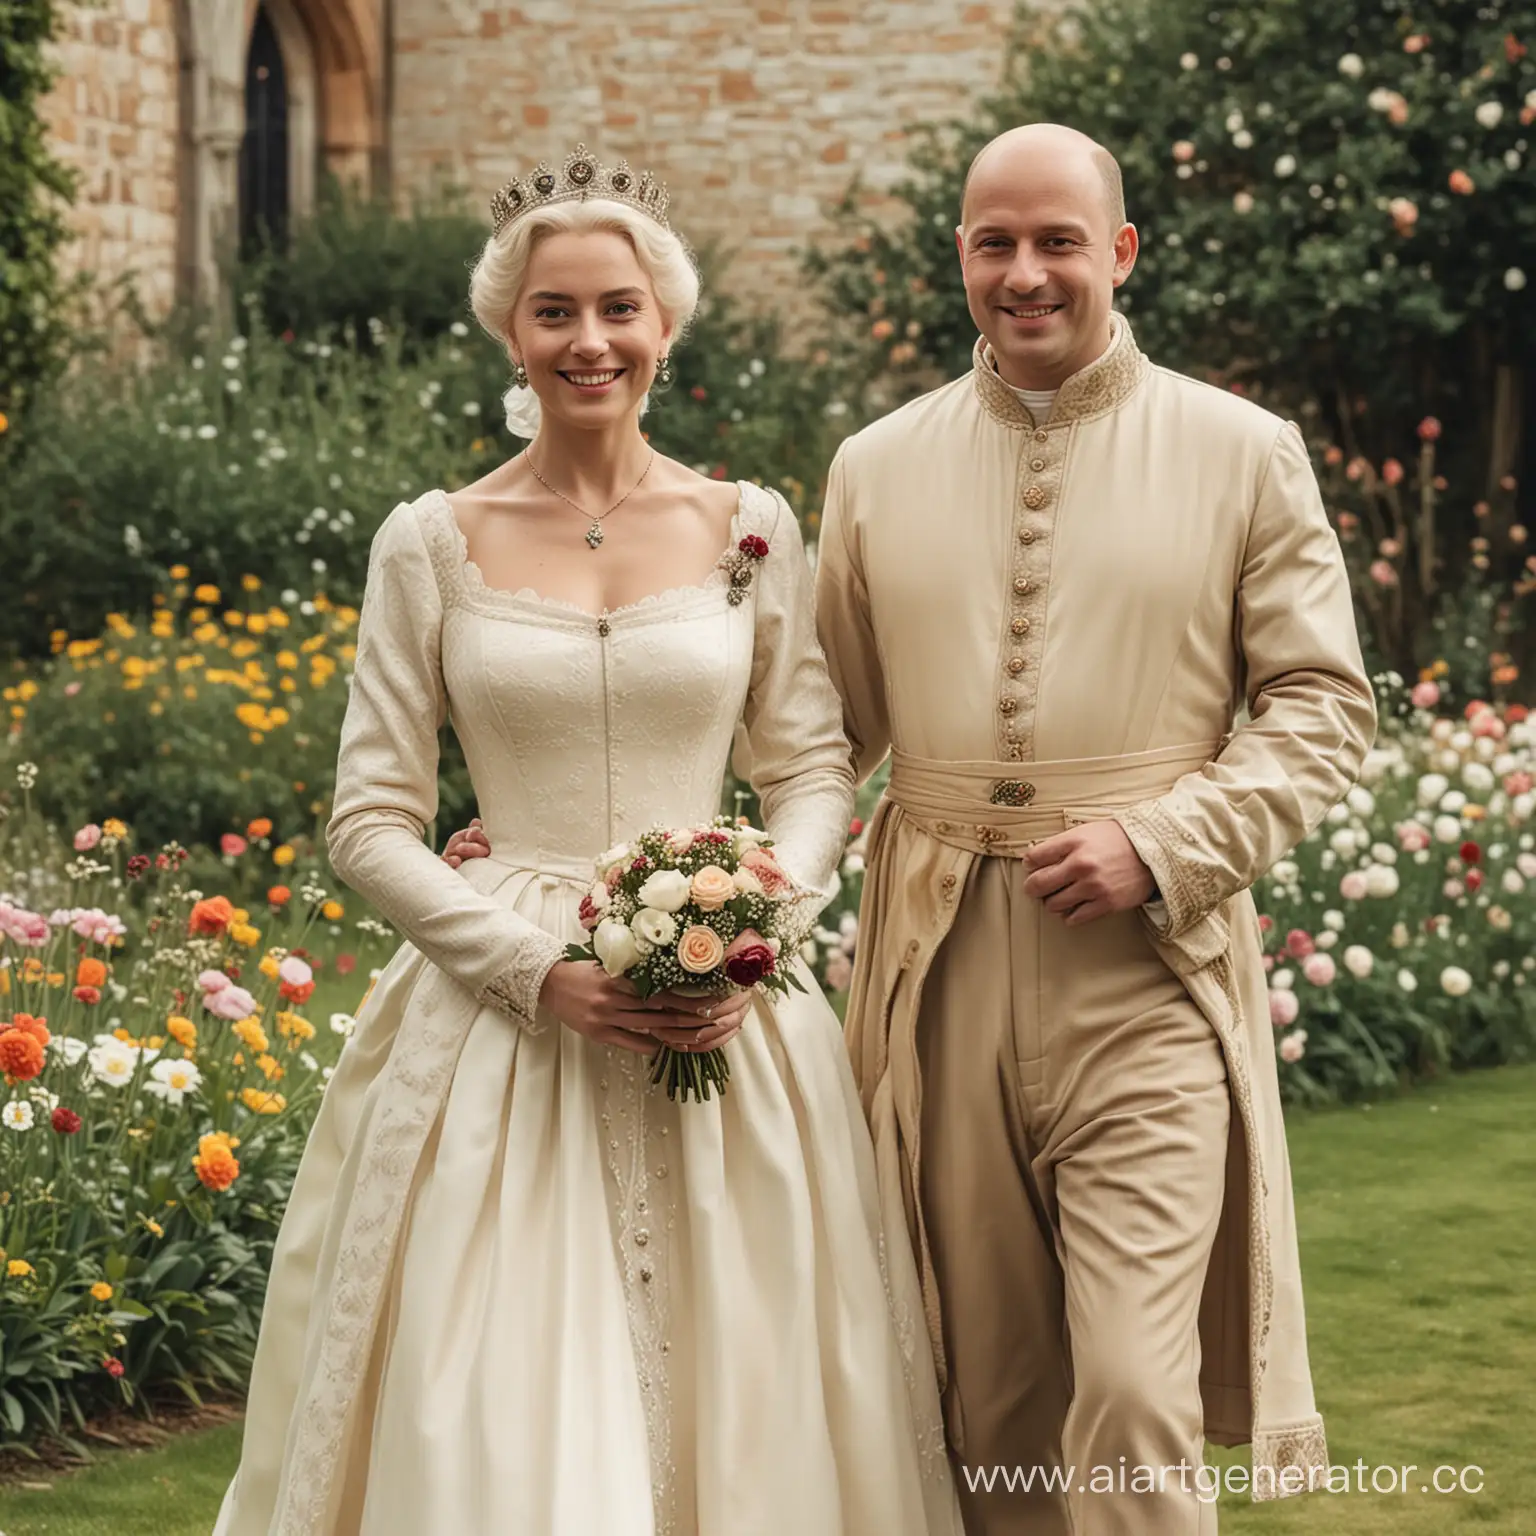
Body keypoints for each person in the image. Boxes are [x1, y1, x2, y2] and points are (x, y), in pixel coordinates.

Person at [445, 124, 1378, 1534]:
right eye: (995, 243)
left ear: (1119, 252)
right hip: (930, 975)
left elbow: (1322, 706)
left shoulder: (1245, 453)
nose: (1027, 273)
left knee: (1131, 1386)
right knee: (982, 1401)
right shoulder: (876, 466)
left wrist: (1170, 842)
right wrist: (578, 854)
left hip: (1149, 974)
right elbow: (813, 733)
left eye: (1059, 240)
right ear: (961, 258)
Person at [213, 146, 960, 1536]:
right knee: (497, 1382)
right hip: (502, 1030)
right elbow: (369, 824)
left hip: (732, 1021)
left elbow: (806, 768)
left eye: (617, 308)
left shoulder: (750, 531)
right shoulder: (430, 543)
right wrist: (535, 969)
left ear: (666, 327)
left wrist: (755, 919)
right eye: (555, 312)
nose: (589, 339)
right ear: (512, 331)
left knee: (762, 1372)